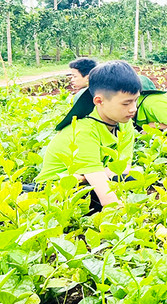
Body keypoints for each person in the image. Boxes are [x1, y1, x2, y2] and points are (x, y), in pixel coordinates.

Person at [36, 61, 141, 212]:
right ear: (99, 101)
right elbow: (108, 199)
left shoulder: (124, 123)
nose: (133, 109)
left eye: (135, 100)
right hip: (55, 188)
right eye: (126, 103)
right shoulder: (83, 130)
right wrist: (124, 215)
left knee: (132, 178)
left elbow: (124, 168)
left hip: (85, 180)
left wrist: (90, 176)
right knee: (96, 196)